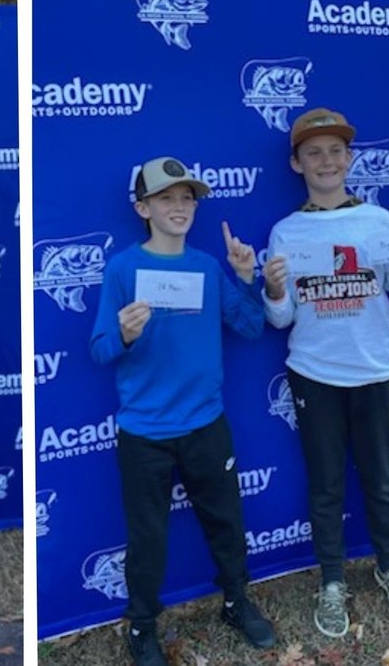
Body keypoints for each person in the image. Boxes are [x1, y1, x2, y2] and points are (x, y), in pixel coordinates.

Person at [261, 108, 389, 638]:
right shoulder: (286, 231)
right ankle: (332, 580)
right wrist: (273, 290)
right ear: (296, 163)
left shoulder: (378, 221)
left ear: (349, 159)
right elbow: (282, 317)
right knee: (325, 486)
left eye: (335, 151)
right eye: (313, 152)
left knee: (381, 480)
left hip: (374, 372)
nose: (326, 161)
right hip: (314, 374)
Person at [90, 156, 278, 666]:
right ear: (142, 208)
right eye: (166, 198)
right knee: (147, 537)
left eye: (187, 198)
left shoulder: (207, 267)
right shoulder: (122, 268)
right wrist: (125, 333)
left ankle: (236, 602)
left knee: (226, 522)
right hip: (144, 432)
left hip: (205, 424)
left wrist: (246, 277)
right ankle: (142, 626)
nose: (179, 207)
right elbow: (101, 348)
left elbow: (250, 327)